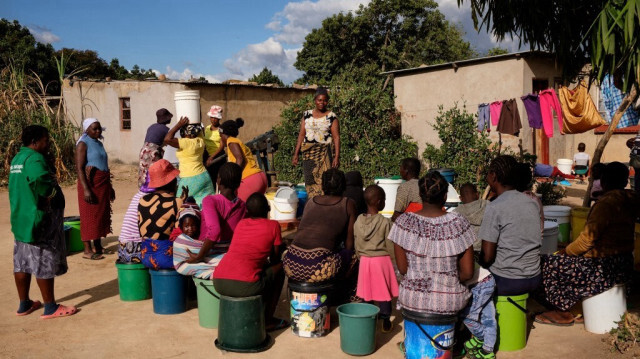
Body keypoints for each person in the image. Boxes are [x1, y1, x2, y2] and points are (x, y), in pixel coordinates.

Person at [536, 162, 639, 326]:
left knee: (549, 263)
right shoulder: (630, 199)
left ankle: (562, 312)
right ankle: (577, 306)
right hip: (624, 263)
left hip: (603, 268)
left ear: (603, 181)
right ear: (625, 181)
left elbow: (586, 242)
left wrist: (564, 253)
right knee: (564, 259)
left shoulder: (606, 204)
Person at [10, 125, 77, 319]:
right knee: (43, 260)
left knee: (22, 263)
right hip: (38, 219)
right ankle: (50, 307)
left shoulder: (18, 158)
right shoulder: (34, 158)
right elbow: (40, 179)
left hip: (22, 219)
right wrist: (51, 193)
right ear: (35, 141)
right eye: (46, 140)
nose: (47, 144)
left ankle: (25, 304)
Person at [390, 171, 475, 314]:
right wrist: (444, 279)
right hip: (450, 301)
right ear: (445, 196)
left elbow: (404, 270)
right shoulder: (459, 222)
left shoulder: (402, 223)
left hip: (412, 299)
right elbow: (467, 273)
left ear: (421, 195)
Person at [213, 193, 288, 331]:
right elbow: (275, 259)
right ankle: (268, 320)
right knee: (281, 269)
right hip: (245, 285)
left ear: (247, 211)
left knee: (261, 270)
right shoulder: (273, 226)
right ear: (268, 210)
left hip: (218, 280)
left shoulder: (241, 224)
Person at [283, 169, 358, 301]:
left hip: (290, 264)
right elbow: (349, 244)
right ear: (343, 185)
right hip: (317, 268)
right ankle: (347, 299)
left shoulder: (311, 201)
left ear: (322, 185)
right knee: (354, 257)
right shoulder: (348, 204)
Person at [479, 155, 542, 296]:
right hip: (535, 277)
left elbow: (487, 257)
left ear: (493, 176)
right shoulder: (531, 203)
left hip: (508, 280)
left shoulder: (495, 207)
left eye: (489, 172)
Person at [173, 162, 246, 277]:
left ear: (219, 180)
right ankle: (219, 264)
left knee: (179, 242)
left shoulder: (210, 200)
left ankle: (209, 267)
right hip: (228, 249)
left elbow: (215, 231)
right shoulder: (243, 205)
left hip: (208, 249)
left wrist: (199, 256)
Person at [354, 185, 398, 333]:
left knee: (367, 291)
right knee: (383, 292)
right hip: (382, 260)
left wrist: (361, 256)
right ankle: (385, 320)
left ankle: (368, 318)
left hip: (365, 260)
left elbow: (356, 242)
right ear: (379, 202)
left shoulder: (358, 221)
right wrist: (394, 260)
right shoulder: (385, 222)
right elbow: (390, 244)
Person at [76, 118, 114, 260]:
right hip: (90, 183)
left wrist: (110, 187)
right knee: (88, 216)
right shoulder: (82, 144)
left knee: (100, 214)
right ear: (87, 130)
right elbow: (79, 168)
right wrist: (86, 189)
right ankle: (87, 250)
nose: (98, 131)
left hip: (102, 183)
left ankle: (98, 246)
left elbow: (104, 164)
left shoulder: (98, 144)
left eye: (99, 129)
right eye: (94, 129)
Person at [291, 87, 340, 199]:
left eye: (325, 100)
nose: (322, 103)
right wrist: (296, 154)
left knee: (326, 180)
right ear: (315, 100)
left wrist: (337, 156)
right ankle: (314, 202)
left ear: (327, 101)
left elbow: (336, 137)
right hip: (308, 154)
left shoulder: (331, 117)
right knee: (310, 180)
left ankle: (325, 203)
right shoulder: (307, 115)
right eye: (319, 100)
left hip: (325, 154)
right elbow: (301, 135)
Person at [138, 160, 187, 270]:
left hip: (145, 256)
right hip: (167, 258)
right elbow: (179, 234)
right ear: (172, 181)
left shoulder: (142, 200)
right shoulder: (177, 202)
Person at [207, 118, 267, 201]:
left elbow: (240, 159)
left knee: (240, 209)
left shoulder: (230, 141)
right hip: (260, 177)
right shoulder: (237, 141)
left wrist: (233, 178)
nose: (221, 140)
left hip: (249, 179)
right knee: (253, 210)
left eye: (221, 136)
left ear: (224, 134)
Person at [164, 117, 214, 207]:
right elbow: (199, 131)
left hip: (189, 178)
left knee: (180, 205)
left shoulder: (186, 143)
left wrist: (178, 125)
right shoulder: (200, 141)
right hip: (204, 176)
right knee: (205, 206)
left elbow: (167, 139)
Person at [138, 108, 172, 188]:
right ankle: (153, 190)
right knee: (155, 172)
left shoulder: (151, 126)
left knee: (144, 171)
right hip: (153, 152)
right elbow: (168, 143)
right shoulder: (166, 130)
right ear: (167, 118)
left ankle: (143, 189)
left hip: (143, 151)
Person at [453, 183, 488, 251]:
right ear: (477, 195)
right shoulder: (488, 206)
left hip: (465, 252)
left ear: (460, 198)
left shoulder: (455, 213)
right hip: (486, 251)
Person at [203, 105, 226, 185]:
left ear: (219, 118)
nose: (213, 120)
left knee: (218, 179)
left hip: (217, 157)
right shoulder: (207, 128)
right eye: (212, 117)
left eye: (215, 118)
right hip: (208, 157)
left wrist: (212, 157)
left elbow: (221, 146)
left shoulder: (221, 130)